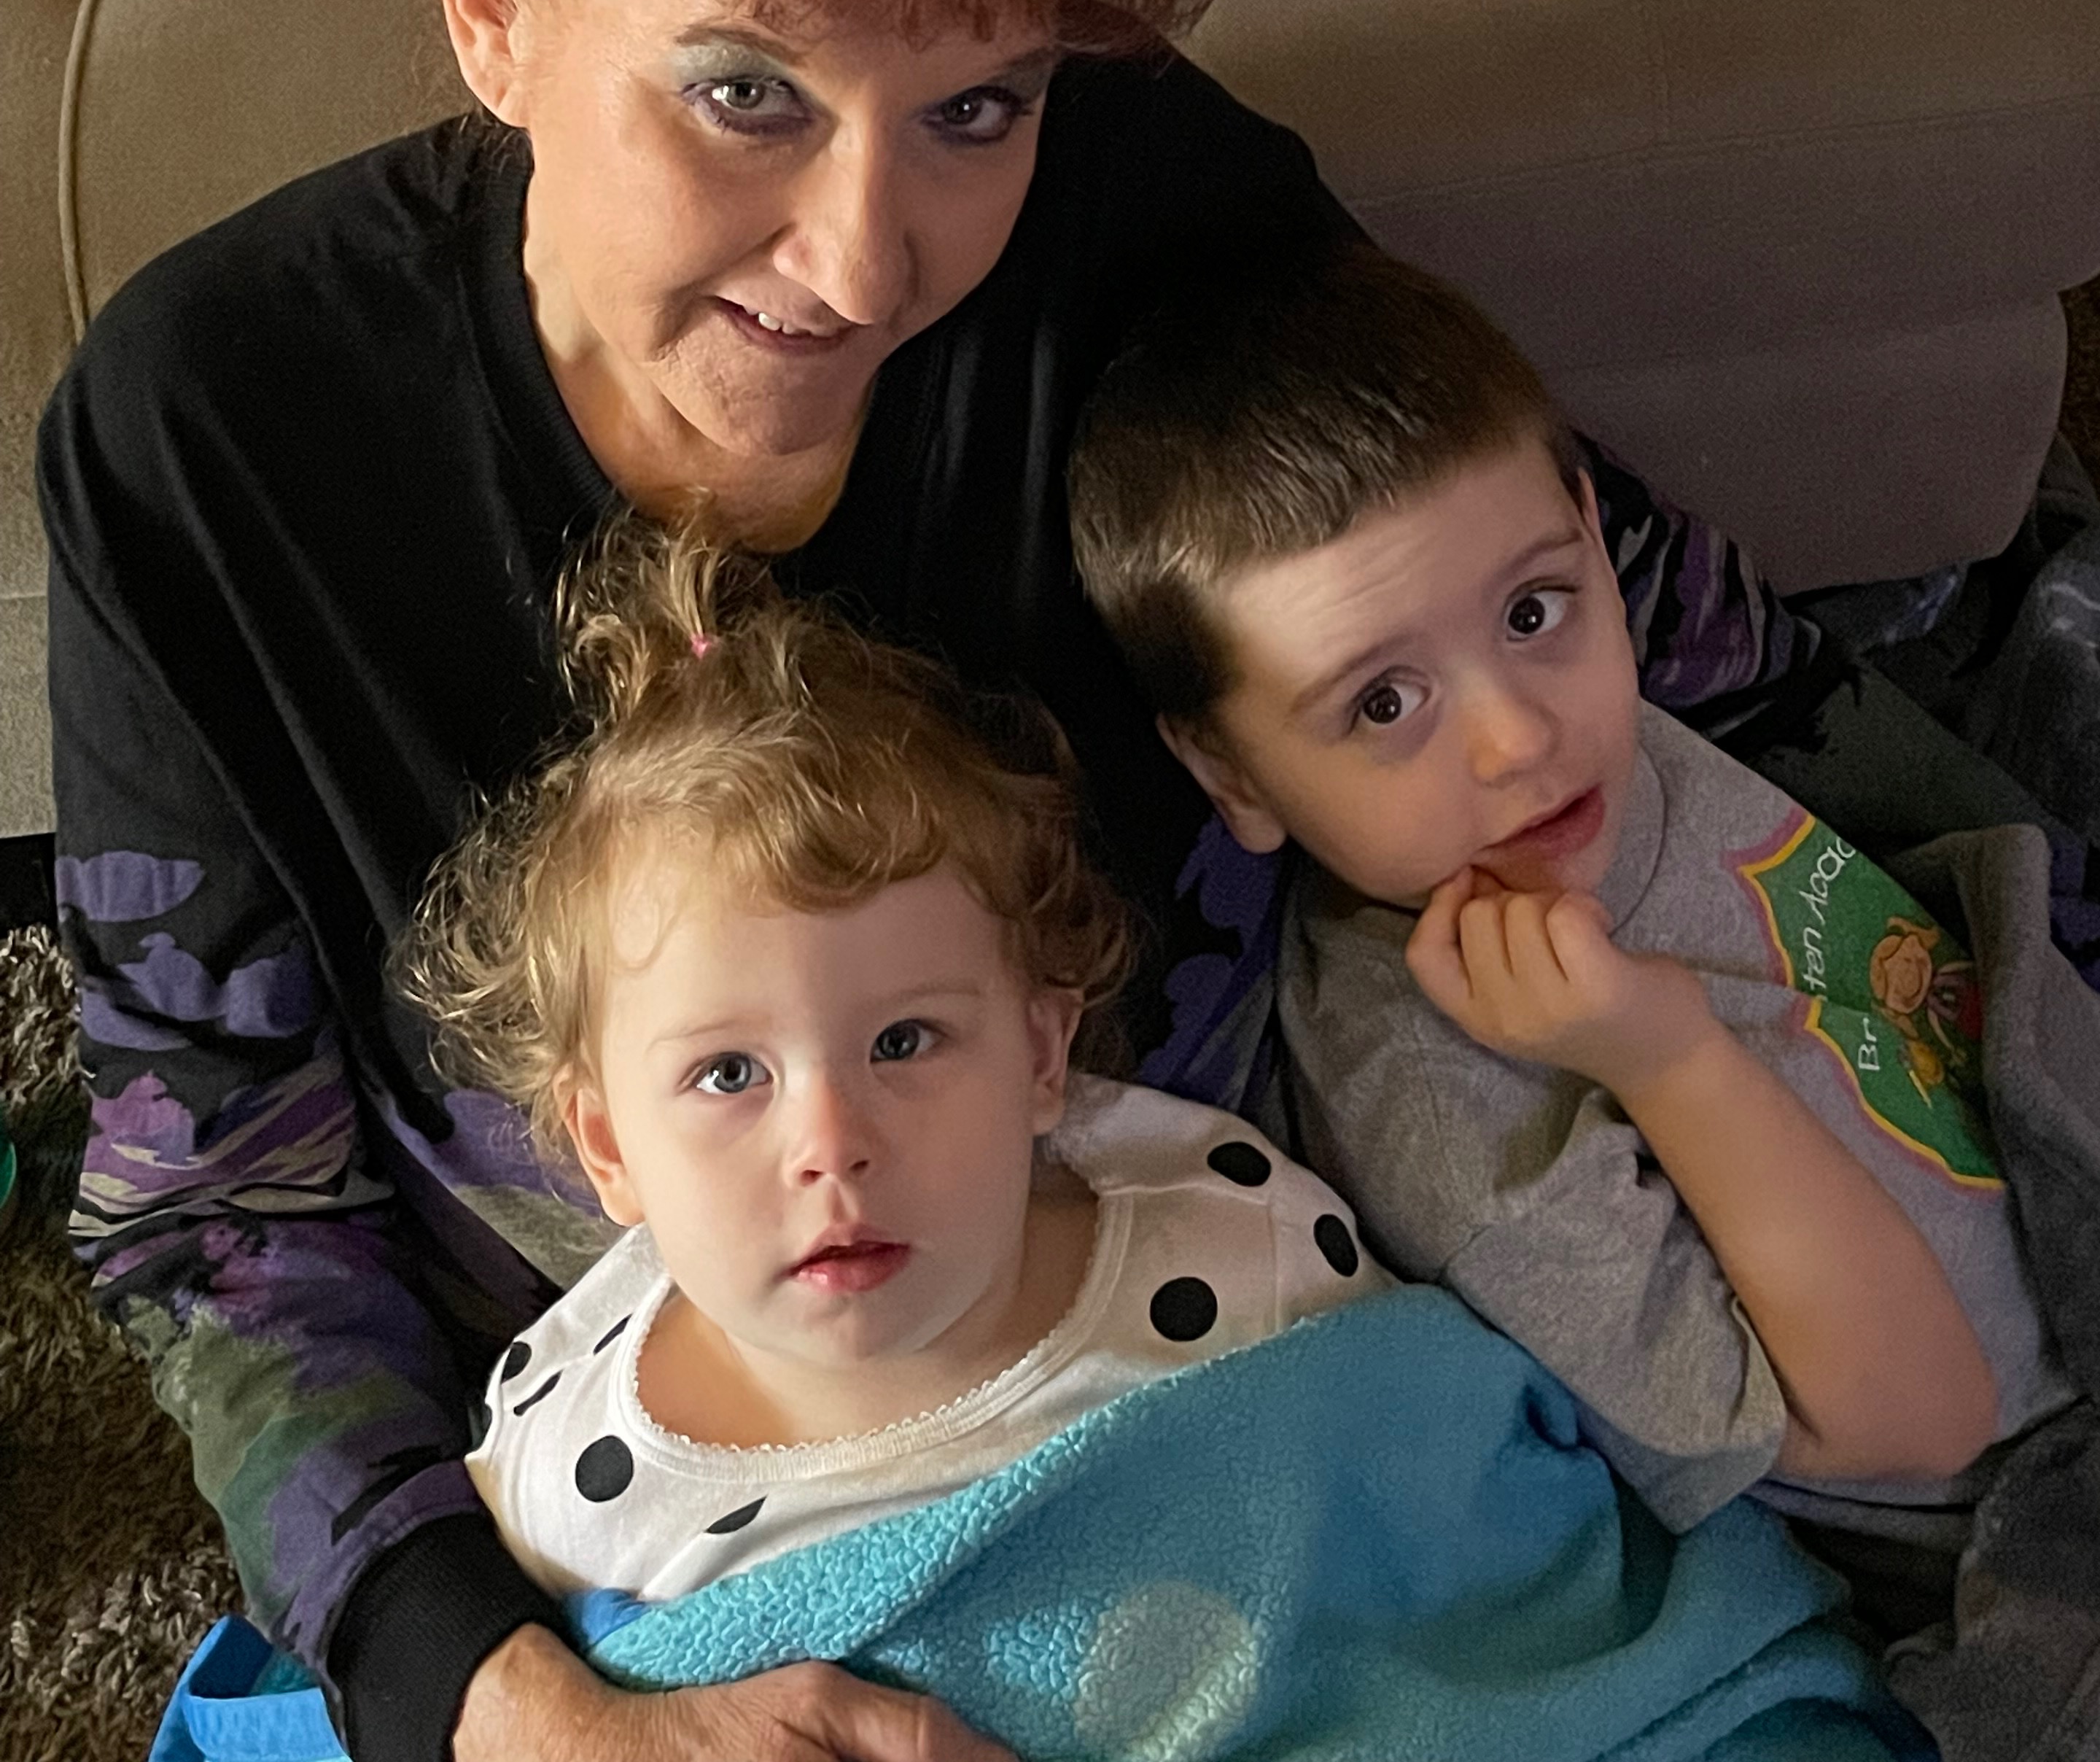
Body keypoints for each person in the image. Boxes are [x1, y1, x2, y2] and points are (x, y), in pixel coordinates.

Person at [44, 0, 1834, 1762]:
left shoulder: (1154, 214)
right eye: (744, 93)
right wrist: (512, 1703)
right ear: (490, 12)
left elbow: (1609, 606)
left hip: (1242, 1389)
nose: (868, 257)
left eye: (976, 105)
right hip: (669, 1508)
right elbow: (218, 1203)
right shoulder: (211, 428)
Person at [1067, 238, 2080, 1551]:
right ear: (1230, 774)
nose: (1518, 738)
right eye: (1384, 703)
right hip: (2046, 1482)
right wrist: (1667, 1062)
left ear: (1597, 547)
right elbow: (1921, 1425)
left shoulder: (1576, 759)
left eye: (1533, 613)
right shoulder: (1446, 1119)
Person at [401, 521, 1389, 1604]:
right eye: (729, 1075)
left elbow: (1436, 1550)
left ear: (1041, 1052)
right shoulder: (567, 1491)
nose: (832, 1147)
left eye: (903, 1041)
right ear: (608, 1147)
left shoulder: (1249, 1264)